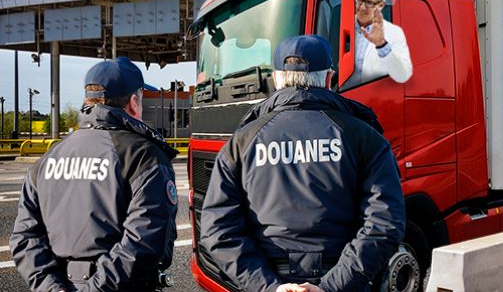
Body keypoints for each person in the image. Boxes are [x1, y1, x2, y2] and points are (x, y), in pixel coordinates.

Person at [200, 34, 405, 292]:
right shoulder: (364, 137)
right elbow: (384, 223)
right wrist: (331, 287)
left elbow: (217, 230)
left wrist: (268, 287)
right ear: (329, 78)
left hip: (268, 278)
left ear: (277, 79)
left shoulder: (241, 142)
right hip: (344, 281)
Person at [10, 57, 178, 292]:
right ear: (133, 102)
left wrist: (52, 287)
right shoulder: (144, 156)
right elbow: (143, 242)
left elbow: (25, 236)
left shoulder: (48, 158)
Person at [347, 0, 412, 86]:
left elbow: (402, 75)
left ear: (381, 5)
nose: (362, 8)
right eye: (360, 1)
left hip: (369, 94)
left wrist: (381, 44)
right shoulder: (341, 23)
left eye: (369, 3)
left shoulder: (394, 33)